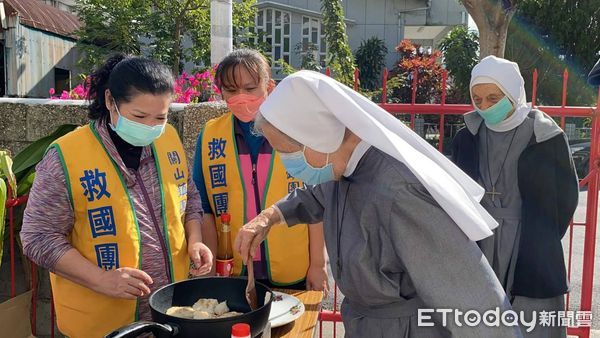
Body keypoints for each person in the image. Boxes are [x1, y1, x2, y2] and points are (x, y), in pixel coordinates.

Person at [234, 70, 522, 337]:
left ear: (317, 137)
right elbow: (316, 195)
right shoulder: (341, 167)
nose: (288, 166)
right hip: (364, 322)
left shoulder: (399, 190)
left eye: (288, 153)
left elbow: (471, 294)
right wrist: (270, 216)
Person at [20, 54, 213, 338]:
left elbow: (189, 196)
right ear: (111, 101)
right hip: (103, 324)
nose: (150, 126)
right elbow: (37, 237)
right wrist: (101, 279)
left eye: (160, 116)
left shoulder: (168, 139)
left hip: (171, 312)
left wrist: (195, 241)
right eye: (139, 116)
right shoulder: (66, 157)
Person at [451, 56, 579, 337]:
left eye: (493, 98)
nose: (484, 106)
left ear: (512, 93)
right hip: (479, 243)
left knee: (533, 325)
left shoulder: (545, 137)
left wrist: (539, 235)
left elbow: (566, 198)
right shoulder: (467, 137)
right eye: (477, 98)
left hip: (531, 246)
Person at [193, 49, 328, 291]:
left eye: (250, 88)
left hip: (291, 266)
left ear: (270, 87)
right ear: (221, 92)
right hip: (234, 268)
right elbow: (205, 208)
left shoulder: (297, 132)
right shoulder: (211, 135)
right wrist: (213, 268)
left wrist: (317, 264)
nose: (241, 97)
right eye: (231, 90)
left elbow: (316, 204)